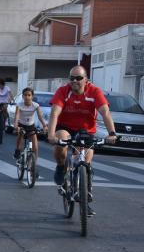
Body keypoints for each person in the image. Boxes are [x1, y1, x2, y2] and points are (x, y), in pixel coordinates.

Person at [47, 65, 117, 216]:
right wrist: (51, 134)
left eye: (78, 78)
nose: (75, 81)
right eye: (72, 78)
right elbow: (54, 113)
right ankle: (60, 167)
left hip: (85, 131)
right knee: (61, 141)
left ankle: (86, 199)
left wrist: (112, 133)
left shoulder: (94, 92)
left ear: (86, 79)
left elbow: (105, 112)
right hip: (66, 127)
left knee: (86, 161)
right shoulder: (63, 91)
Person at [13, 87, 48, 160]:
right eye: (25, 95)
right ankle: (17, 150)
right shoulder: (19, 105)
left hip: (31, 126)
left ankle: (34, 165)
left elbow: (40, 117)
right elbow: (17, 116)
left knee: (35, 147)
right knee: (20, 141)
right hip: (21, 125)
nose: (27, 97)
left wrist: (44, 126)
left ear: (32, 96)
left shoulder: (36, 105)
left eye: (29, 95)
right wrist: (16, 125)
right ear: (22, 96)